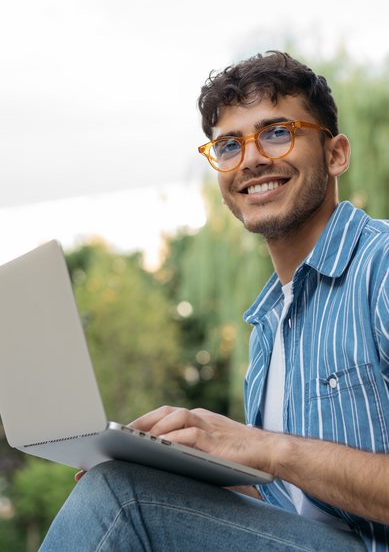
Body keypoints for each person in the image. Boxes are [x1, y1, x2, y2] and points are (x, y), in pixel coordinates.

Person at [39, 51, 388, 551]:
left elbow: (279, 459)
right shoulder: (270, 322)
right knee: (128, 484)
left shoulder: (381, 269)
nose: (250, 159)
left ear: (335, 154)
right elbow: (288, 510)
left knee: (122, 498)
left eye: (276, 131)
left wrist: (268, 449)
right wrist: (186, 465)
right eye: (228, 145)